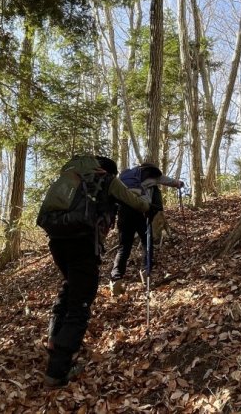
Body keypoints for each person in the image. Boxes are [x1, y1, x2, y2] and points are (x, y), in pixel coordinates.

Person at [37, 155, 150, 387]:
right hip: (83, 243)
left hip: (57, 241)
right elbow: (134, 202)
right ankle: (57, 371)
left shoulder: (72, 178)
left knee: (70, 289)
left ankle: (53, 340)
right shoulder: (107, 179)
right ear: (108, 170)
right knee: (80, 304)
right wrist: (149, 204)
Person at [110, 163, 183, 296]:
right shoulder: (151, 175)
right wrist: (179, 183)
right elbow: (169, 181)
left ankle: (116, 278)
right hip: (140, 210)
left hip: (123, 211)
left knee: (124, 247)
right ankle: (146, 272)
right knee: (146, 242)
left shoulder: (126, 175)